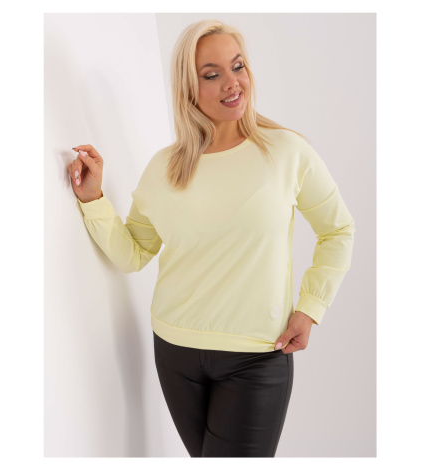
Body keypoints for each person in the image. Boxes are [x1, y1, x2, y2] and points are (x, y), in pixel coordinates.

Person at [67, 19, 355, 458]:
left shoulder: (287, 152)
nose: (232, 83)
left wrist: (310, 308)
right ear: (188, 88)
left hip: (256, 356)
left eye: (237, 66)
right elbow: (134, 253)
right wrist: (94, 199)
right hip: (174, 350)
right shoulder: (165, 167)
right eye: (211, 74)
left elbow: (338, 229)